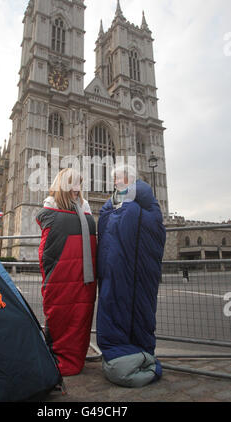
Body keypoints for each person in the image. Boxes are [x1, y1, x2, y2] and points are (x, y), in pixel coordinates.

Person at [96, 164, 166, 387]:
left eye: (117, 178)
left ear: (129, 179)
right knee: (114, 309)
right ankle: (127, 356)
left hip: (137, 272)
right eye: (114, 179)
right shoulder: (113, 204)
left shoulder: (142, 202)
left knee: (140, 310)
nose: (114, 182)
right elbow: (107, 227)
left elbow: (152, 227)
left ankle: (140, 354)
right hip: (115, 271)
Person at [36, 168, 97, 376]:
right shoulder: (51, 209)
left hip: (84, 279)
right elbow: (47, 251)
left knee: (80, 319)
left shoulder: (84, 208)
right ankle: (59, 358)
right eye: (73, 183)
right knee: (60, 316)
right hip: (62, 277)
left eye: (79, 183)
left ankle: (74, 359)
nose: (77, 188)